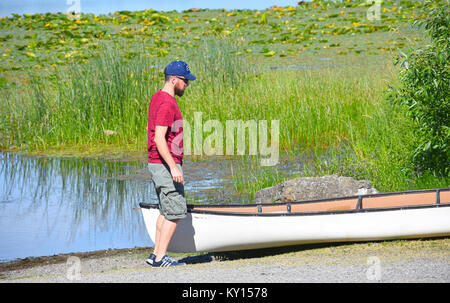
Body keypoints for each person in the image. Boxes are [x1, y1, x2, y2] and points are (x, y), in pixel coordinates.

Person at [146, 60, 196, 267]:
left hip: (158, 164)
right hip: (165, 164)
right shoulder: (167, 103)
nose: (187, 85)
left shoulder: (158, 97)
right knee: (175, 211)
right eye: (185, 81)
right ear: (174, 80)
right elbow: (159, 139)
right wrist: (174, 167)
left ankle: (156, 254)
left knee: (165, 211)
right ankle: (160, 258)